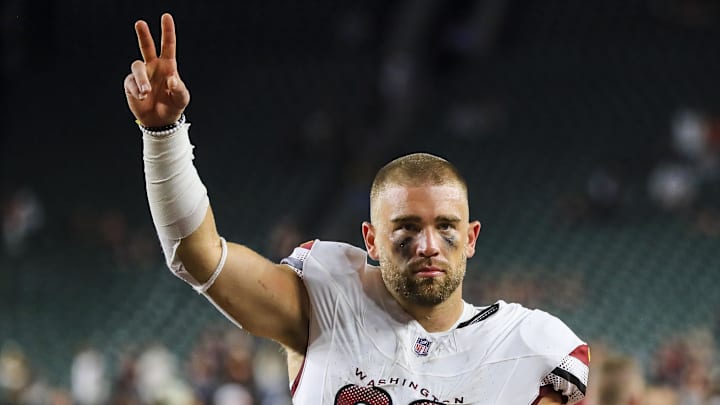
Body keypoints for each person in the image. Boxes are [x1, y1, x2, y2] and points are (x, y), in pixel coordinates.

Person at [123, 13, 589, 404]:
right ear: (371, 239)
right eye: (406, 227)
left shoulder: (526, 344)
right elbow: (197, 257)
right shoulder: (328, 301)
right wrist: (164, 136)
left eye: (446, 227)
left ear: (471, 238)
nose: (428, 244)